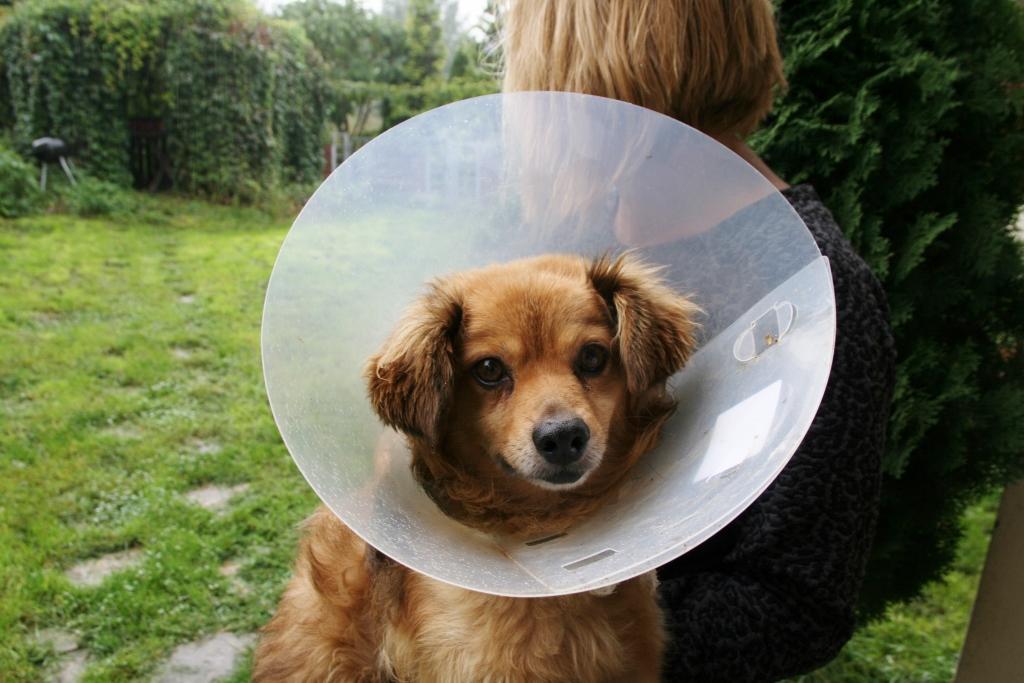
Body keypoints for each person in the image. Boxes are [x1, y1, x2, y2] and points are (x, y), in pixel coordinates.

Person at [501, 1, 897, 681]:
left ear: (585, 66)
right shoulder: (567, 233)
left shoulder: (818, 291)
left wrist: (556, 638)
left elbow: (795, 603)